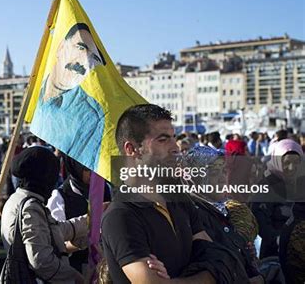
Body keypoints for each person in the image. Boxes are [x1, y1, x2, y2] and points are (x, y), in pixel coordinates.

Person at [101, 104, 217, 284]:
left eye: (173, 138)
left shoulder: (178, 199)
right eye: (163, 140)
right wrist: (209, 276)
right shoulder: (121, 215)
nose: (176, 148)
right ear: (132, 149)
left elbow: (217, 258)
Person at [0, 146, 89, 283]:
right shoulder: (30, 207)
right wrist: (74, 277)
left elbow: (53, 231)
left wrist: (90, 221)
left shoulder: (21, 199)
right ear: (43, 176)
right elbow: (41, 260)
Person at [30, 23, 107, 170]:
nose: (84, 62)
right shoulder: (35, 93)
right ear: (60, 48)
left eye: (94, 59)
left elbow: (90, 173)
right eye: (80, 47)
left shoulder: (91, 116)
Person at [182, 146, 261, 282]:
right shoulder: (194, 216)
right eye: (213, 173)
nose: (222, 179)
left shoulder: (222, 209)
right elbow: (215, 269)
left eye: (224, 171)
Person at [47, 155, 111, 273]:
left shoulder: (106, 189)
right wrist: (89, 239)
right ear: (75, 168)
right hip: (77, 271)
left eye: (96, 167)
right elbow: (57, 245)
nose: (93, 173)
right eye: (87, 169)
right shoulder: (60, 197)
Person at [251, 139, 304, 259]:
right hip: (275, 253)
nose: (292, 167)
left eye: (296, 162)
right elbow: (260, 223)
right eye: (287, 162)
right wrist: (282, 240)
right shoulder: (266, 186)